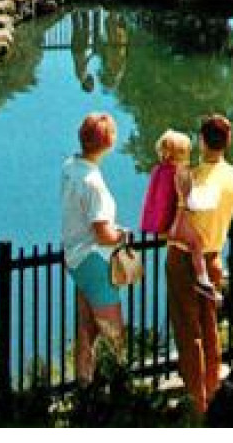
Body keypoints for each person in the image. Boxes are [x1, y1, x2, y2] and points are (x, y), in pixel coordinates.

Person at [167, 113, 233, 414]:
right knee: (210, 326)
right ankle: (213, 391)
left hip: (185, 258)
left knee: (189, 329)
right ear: (228, 142)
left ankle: (196, 402)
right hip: (214, 256)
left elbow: (178, 220)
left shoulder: (194, 179)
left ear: (201, 140)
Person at [60, 112, 128, 383]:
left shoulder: (70, 167)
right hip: (94, 262)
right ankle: (119, 388)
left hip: (74, 257)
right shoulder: (93, 184)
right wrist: (121, 235)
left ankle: (84, 386)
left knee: (87, 329)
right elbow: (103, 234)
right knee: (114, 332)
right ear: (108, 143)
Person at [138, 130, 220, 303]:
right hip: (172, 224)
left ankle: (197, 270)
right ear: (183, 152)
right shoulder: (181, 172)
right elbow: (189, 199)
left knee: (188, 243)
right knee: (197, 243)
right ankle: (203, 280)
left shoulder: (157, 170)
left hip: (157, 225)